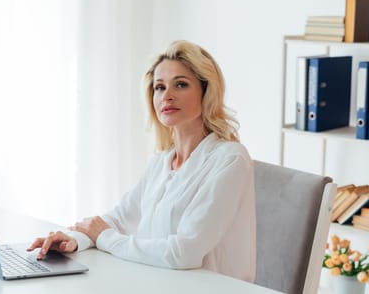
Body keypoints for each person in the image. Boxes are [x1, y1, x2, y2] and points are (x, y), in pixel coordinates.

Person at [27, 40, 256, 282]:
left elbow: (183, 253)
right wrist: (74, 241)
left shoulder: (230, 159)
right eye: (159, 87)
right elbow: (121, 219)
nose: (167, 96)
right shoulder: (163, 162)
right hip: (157, 282)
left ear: (206, 91)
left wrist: (104, 237)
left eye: (180, 85)